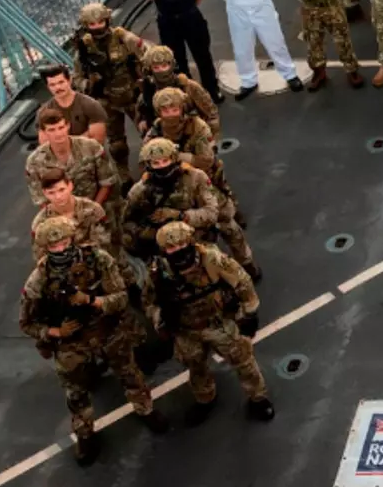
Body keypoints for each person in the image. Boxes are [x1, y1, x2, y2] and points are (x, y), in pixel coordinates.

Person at [20, 218, 169, 465]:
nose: (61, 249)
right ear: (45, 248)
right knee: (77, 393)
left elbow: (121, 298)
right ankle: (85, 434)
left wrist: (92, 301)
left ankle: (145, 409)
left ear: (73, 239)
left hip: (107, 331)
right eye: (54, 246)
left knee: (130, 374)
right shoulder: (38, 281)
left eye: (65, 242)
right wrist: (57, 332)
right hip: (72, 343)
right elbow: (27, 324)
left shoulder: (98, 260)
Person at [146, 220, 275, 425]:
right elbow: (150, 302)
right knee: (196, 367)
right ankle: (205, 398)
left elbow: (242, 282)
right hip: (186, 329)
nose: (177, 251)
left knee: (244, 361)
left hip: (219, 322)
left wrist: (250, 313)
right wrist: (160, 321)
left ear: (190, 242)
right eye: (171, 248)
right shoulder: (158, 273)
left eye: (181, 245)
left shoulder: (211, 259)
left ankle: (258, 398)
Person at [143, 95, 257, 276]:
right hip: (176, 194)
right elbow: (148, 160)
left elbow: (206, 160)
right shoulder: (155, 132)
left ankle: (246, 261)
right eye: (165, 111)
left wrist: (177, 157)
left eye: (175, 110)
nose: (170, 115)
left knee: (229, 226)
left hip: (203, 181)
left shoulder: (196, 126)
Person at [71, 2, 147, 180]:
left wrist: (145, 83)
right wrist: (89, 85)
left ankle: (151, 168)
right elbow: (76, 78)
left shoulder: (124, 39)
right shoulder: (84, 51)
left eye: (100, 22)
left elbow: (145, 58)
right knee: (116, 144)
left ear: (107, 20)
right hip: (107, 101)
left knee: (149, 134)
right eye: (92, 25)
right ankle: (124, 175)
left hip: (133, 95)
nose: (97, 28)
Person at [139, 0, 221, 98]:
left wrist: (189, 7)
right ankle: (186, 94)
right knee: (176, 61)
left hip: (190, 18)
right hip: (167, 22)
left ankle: (212, 90)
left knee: (202, 55)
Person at [26, 110, 120, 223]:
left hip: (97, 206)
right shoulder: (34, 162)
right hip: (61, 217)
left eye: (61, 127)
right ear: (44, 133)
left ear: (68, 126)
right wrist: (63, 220)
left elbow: (107, 183)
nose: (58, 133)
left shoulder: (91, 147)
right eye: (51, 130)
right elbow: (41, 199)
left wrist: (92, 210)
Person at [135, 44, 221, 138]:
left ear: (172, 65)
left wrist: (210, 138)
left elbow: (211, 114)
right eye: (156, 68)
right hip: (164, 140)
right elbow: (140, 119)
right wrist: (143, 124)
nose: (161, 71)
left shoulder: (189, 87)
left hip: (192, 136)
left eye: (164, 66)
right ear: (150, 69)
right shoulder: (148, 91)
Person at [29, 170, 113, 261]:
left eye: (61, 190)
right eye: (51, 193)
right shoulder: (40, 223)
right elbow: (40, 257)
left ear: (70, 186)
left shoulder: (93, 210)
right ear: (45, 193)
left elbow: (104, 244)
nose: (58, 196)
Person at [39, 64, 108, 144]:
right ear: (47, 86)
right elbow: (45, 144)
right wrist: (85, 135)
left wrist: (59, 140)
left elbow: (97, 141)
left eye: (61, 82)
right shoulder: (44, 112)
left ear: (69, 80)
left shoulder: (91, 105)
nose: (58, 87)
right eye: (52, 85)